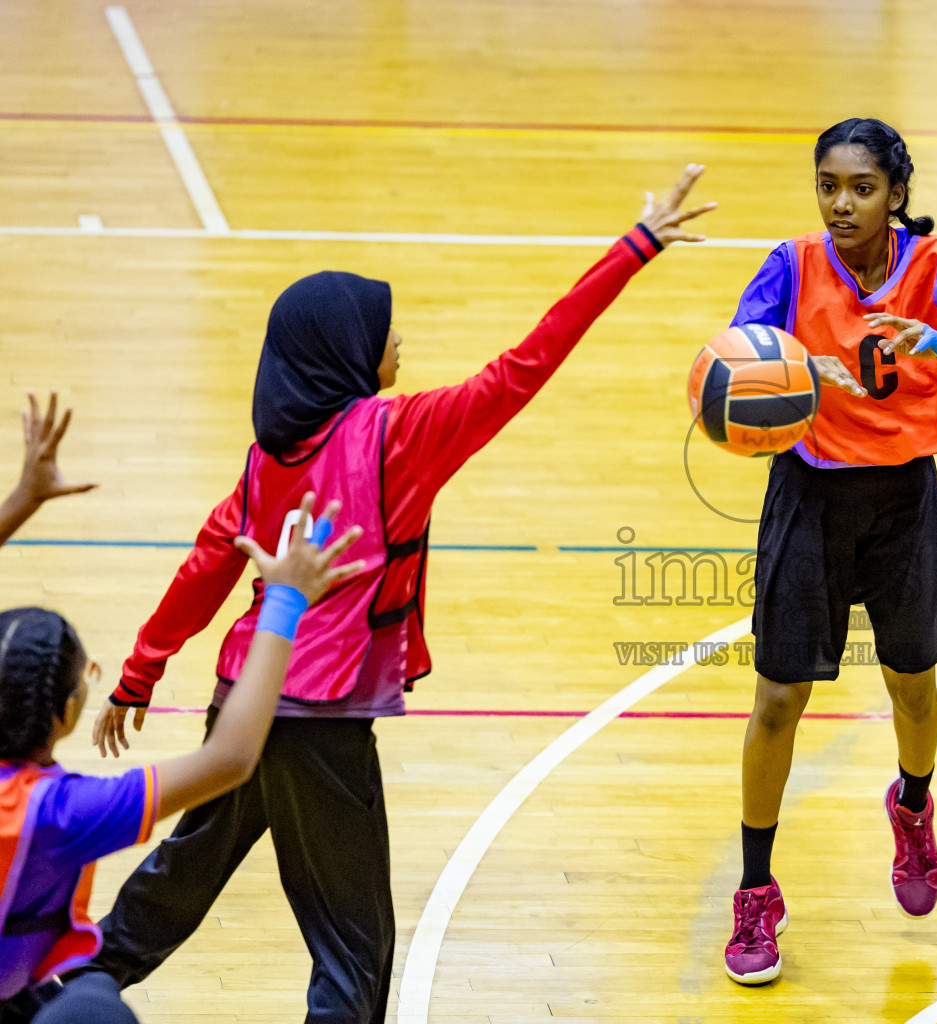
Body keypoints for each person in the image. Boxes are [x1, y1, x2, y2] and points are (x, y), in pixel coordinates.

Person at [82, 166, 715, 1022]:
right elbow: (527, 364)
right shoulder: (402, 438)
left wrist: (141, 673)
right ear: (345, 351)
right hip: (319, 719)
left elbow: (208, 562)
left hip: (245, 698)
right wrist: (633, 249)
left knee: (182, 876)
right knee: (352, 943)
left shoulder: (274, 447)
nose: (398, 338)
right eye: (383, 329)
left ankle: (63, 988)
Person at [721, 118, 937, 984]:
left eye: (861, 188)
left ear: (895, 195)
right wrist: (796, 365)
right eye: (828, 185)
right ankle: (756, 893)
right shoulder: (791, 264)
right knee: (777, 698)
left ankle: (912, 805)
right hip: (809, 496)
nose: (842, 203)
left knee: (913, 684)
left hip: (907, 500)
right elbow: (732, 360)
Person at [0, 391, 366, 1024]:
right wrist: (284, 603)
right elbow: (230, 758)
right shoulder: (59, 815)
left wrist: (20, 503)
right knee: (92, 1010)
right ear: (62, 715)